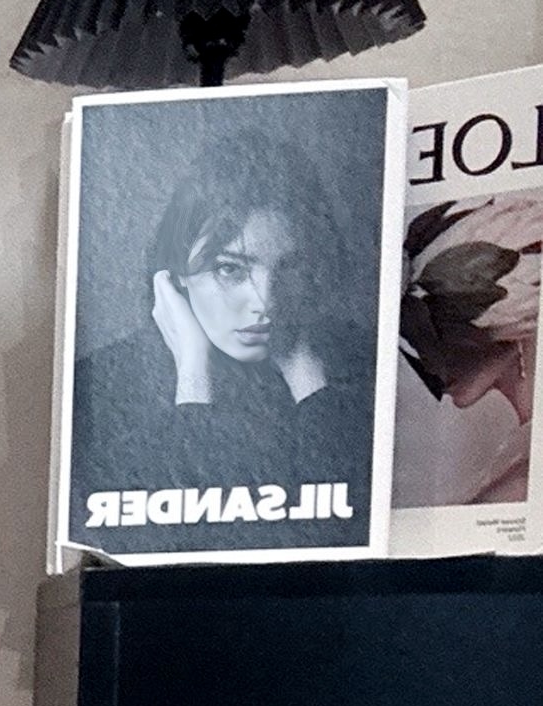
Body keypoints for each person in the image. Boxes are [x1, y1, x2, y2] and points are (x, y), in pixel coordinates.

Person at [70, 126, 377, 546]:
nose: (266, 302)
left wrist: (306, 373)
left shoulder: (363, 362)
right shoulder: (98, 389)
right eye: (230, 269)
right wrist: (193, 379)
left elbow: (354, 532)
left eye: (291, 268)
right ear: (176, 272)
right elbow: (159, 549)